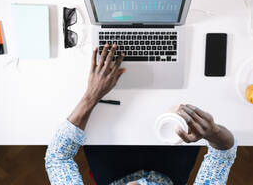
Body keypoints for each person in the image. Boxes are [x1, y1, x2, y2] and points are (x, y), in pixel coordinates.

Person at [45, 44, 237, 185]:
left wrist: (91, 95)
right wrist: (212, 132)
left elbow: (57, 159)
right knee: (188, 76)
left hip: (110, 161)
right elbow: (223, 154)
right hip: (173, 160)